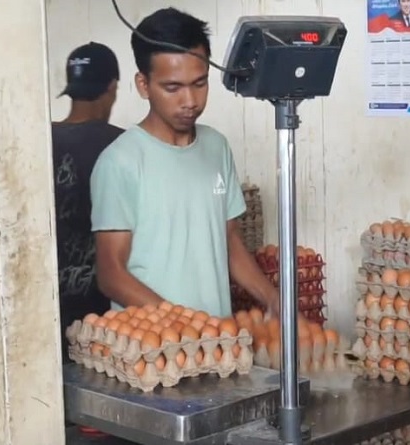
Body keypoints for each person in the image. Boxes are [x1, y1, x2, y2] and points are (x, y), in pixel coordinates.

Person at [90, 8, 278, 318]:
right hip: (153, 352)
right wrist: (184, 325)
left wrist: (274, 301)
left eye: (199, 83)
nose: (190, 101)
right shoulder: (120, 162)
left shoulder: (216, 147)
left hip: (216, 348)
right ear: (143, 85)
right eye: (173, 88)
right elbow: (111, 274)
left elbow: (228, 240)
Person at [52, 42, 124, 361]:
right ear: (112, 87)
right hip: (106, 312)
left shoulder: (40, 140)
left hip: (47, 307)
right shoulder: (123, 146)